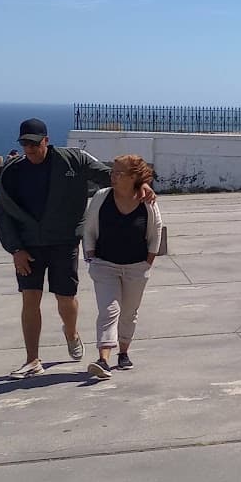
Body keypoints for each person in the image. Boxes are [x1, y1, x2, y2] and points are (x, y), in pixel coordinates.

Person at [0, 118, 156, 380]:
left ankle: (71, 333)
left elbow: (109, 176)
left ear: (46, 141)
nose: (30, 149)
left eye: (34, 143)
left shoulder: (72, 161)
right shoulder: (12, 171)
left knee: (65, 298)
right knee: (30, 297)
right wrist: (15, 249)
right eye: (25, 143)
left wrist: (141, 185)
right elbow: (2, 213)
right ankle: (32, 360)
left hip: (63, 241)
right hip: (28, 245)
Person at [82, 155, 163, 380]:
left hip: (137, 267)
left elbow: (156, 231)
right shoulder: (101, 197)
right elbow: (89, 227)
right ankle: (103, 360)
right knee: (109, 310)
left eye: (119, 173)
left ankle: (123, 352)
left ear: (134, 177)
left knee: (129, 312)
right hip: (104, 265)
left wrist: (148, 261)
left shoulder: (147, 202)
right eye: (112, 172)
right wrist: (90, 254)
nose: (113, 176)